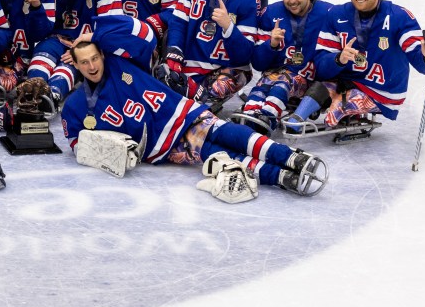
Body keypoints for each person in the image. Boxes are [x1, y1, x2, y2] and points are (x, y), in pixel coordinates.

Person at [61, 15, 328, 200]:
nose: (91, 66)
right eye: (84, 62)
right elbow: (77, 142)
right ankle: (282, 177)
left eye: (94, 58)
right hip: (163, 147)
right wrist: (110, 152)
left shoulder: (122, 61)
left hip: (180, 112)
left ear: (102, 54)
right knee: (223, 157)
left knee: (229, 133)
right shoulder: (75, 106)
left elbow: (143, 33)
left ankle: (289, 157)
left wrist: (95, 34)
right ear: (75, 64)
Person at [288, 0, 425, 129]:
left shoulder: (399, 17)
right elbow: (321, 67)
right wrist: (338, 59)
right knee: (318, 89)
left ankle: (343, 108)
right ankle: (294, 122)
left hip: (381, 90)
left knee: (335, 110)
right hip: (348, 80)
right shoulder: (336, 14)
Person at [157, 0, 261, 111]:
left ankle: (202, 101)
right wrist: (175, 51)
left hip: (222, 68)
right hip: (189, 61)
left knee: (225, 84)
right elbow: (178, 22)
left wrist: (228, 27)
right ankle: (191, 96)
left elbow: (244, 55)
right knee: (162, 86)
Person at [239, 0, 332, 131]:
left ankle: (266, 119)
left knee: (281, 85)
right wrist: (271, 44)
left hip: (305, 79)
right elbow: (258, 64)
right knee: (260, 89)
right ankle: (249, 118)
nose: (292, 0)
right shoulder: (271, 13)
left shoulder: (328, 13)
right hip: (274, 74)